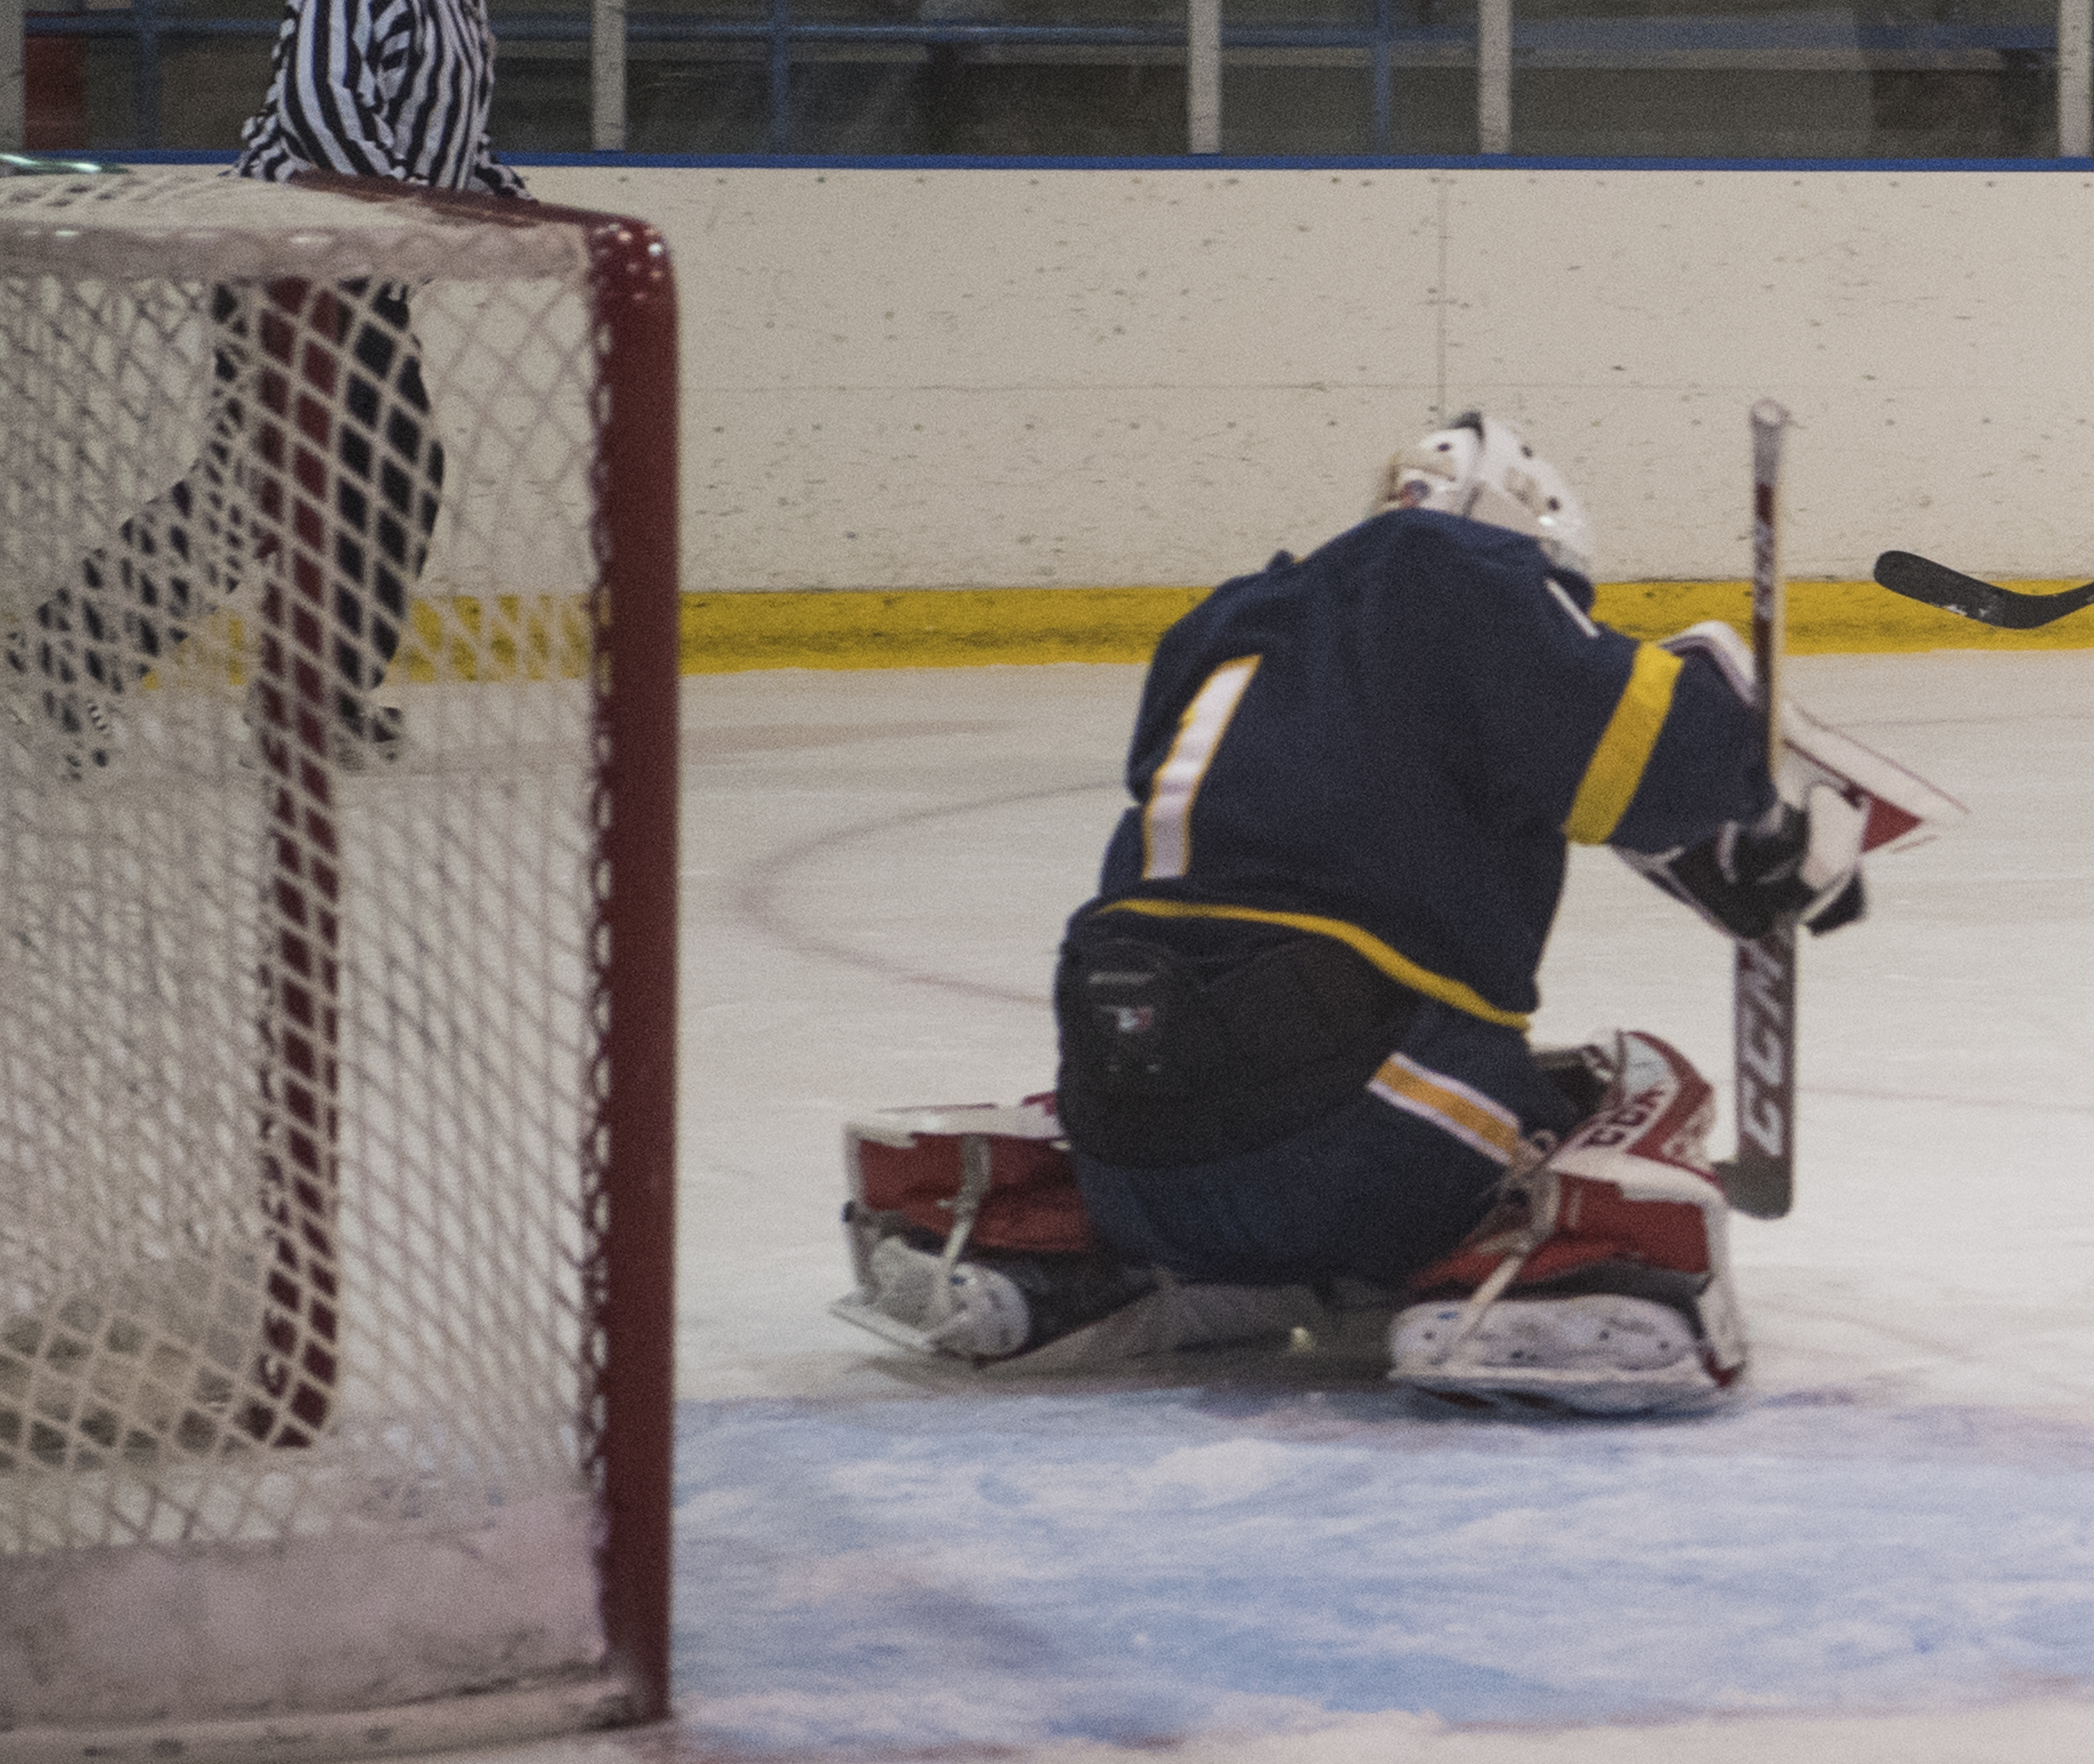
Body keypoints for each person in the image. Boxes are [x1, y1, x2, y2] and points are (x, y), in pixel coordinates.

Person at [830, 414, 1947, 1417]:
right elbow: (1663, 757)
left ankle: (1087, 1256)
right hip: (1364, 1125)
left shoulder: (1225, 622)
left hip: (1130, 1121)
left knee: (1217, 1079)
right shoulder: (1457, 576)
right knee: (1630, 1079)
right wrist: (1772, 797)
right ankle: (1563, 1275)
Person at [0, 0, 534, 771]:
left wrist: (504, 199)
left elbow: (450, 141)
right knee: (263, 491)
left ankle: (306, 692)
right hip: (289, 266)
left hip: (354, 276)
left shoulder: (459, 2)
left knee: (383, 485)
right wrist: (421, 218)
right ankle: (63, 666)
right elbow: (328, 124)